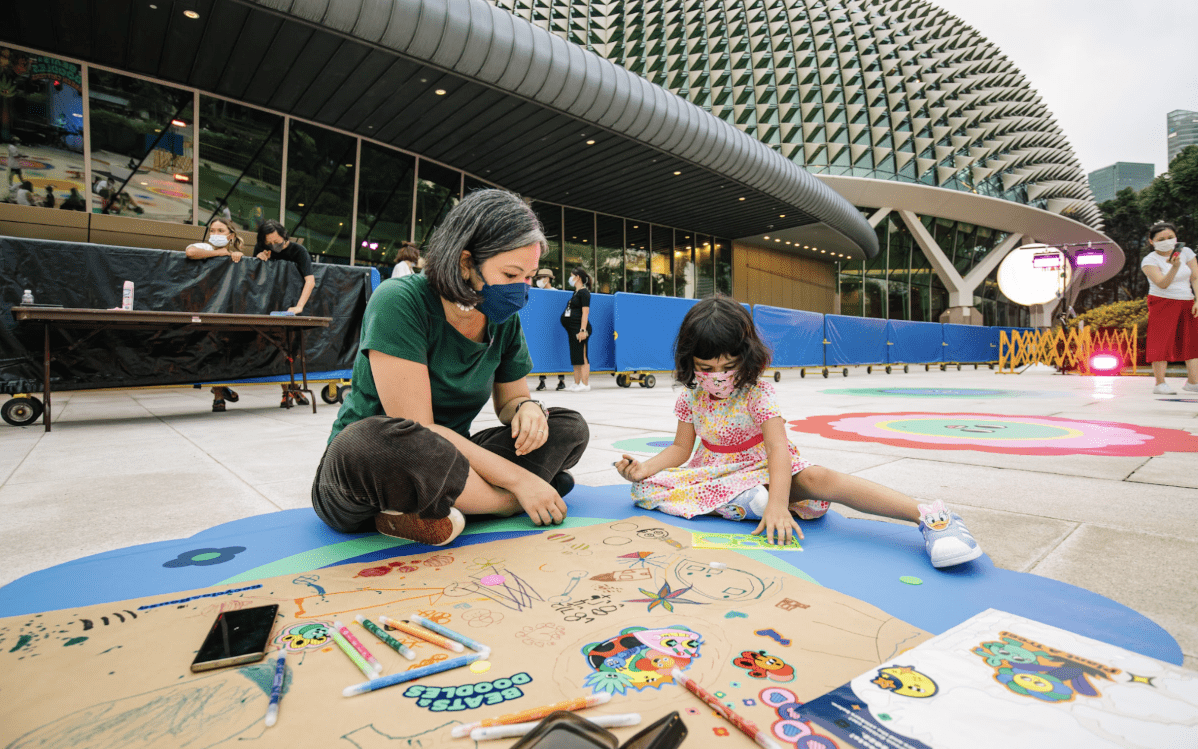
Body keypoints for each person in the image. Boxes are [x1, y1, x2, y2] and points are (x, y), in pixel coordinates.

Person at [614, 296, 982, 568]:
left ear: (746, 355)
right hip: (714, 472)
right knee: (643, 488)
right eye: (706, 367)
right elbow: (681, 448)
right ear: (690, 363)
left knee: (822, 479)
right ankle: (743, 503)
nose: (719, 376)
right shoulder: (692, 396)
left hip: (768, 470)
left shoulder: (757, 392)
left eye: (728, 365)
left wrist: (776, 504)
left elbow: (777, 450)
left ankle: (934, 518)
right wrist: (645, 468)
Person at [311, 188, 589, 546]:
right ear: (464, 263)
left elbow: (511, 402)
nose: (522, 289)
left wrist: (529, 409)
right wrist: (519, 482)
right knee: (373, 440)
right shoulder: (400, 301)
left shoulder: (501, 318)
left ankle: (432, 509)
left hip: (450, 461)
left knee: (568, 428)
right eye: (511, 275)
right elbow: (419, 427)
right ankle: (503, 504)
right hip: (375, 468)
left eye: (529, 276)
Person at [184, 219, 248, 411]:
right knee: (212, 347)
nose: (215, 234)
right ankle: (218, 394)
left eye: (220, 230)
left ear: (230, 235)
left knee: (226, 347)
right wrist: (217, 253)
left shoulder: (235, 253)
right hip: (205, 305)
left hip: (230, 306)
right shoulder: (205, 246)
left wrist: (234, 255)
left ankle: (222, 386)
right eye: (212, 230)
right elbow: (190, 252)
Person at [253, 219, 317, 407]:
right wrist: (259, 261)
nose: (274, 246)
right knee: (278, 348)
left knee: (293, 347)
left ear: (284, 235)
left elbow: (310, 280)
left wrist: (299, 306)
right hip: (269, 306)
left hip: (293, 306)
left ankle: (293, 388)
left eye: (277, 241)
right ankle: (289, 390)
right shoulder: (262, 247)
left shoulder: (298, 251)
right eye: (269, 243)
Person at [1140, 221, 1198, 394]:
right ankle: (1160, 383)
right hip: (1162, 300)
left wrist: (1197, 300)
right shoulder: (1149, 260)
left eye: (1170, 237)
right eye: (1161, 239)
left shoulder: (1186, 252)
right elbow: (1162, 283)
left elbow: (1195, 277)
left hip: (1187, 300)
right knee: (1161, 341)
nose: (1167, 241)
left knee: (1191, 341)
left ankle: (1193, 382)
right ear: (1152, 241)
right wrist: (1175, 267)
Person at [561, 267, 593, 391]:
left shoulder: (584, 293)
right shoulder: (576, 292)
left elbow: (585, 313)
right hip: (572, 328)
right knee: (576, 356)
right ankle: (576, 382)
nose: (570, 278)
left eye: (571, 275)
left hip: (580, 329)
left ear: (577, 277)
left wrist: (583, 330)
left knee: (582, 355)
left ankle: (585, 384)